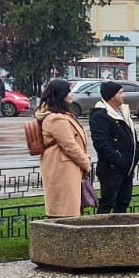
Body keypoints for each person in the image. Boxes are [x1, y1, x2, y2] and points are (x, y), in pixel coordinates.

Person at [36, 79, 91, 217]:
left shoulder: (61, 115)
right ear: (61, 95)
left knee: (69, 207)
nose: (72, 94)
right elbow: (70, 145)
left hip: (66, 166)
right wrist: (86, 163)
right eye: (69, 92)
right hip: (62, 168)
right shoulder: (56, 118)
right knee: (65, 210)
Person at [89, 81, 139, 214]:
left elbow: (131, 135)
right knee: (107, 203)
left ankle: (120, 227)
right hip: (112, 169)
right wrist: (118, 159)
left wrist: (136, 154)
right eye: (120, 93)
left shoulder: (123, 111)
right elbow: (101, 143)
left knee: (123, 202)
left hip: (127, 168)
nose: (124, 95)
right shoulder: (100, 115)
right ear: (112, 96)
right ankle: (102, 227)